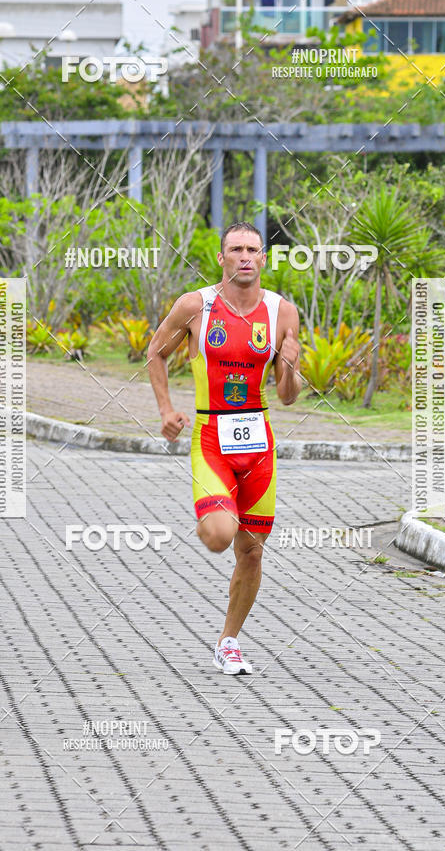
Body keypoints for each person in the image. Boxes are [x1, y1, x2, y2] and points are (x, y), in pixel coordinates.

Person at [147, 222, 301, 674]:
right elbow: (156, 352)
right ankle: (211, 513)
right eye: (237, 249)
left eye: (254, 250)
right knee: (219, 535)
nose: (246, 257)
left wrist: (290, 366)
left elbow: (287, 395)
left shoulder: (281, 312)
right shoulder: (196, 306)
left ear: (264, 259)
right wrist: (165, 411)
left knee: (251, 551)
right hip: (212, 436)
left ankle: (228, 642)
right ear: (222, 258)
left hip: (259, 443)